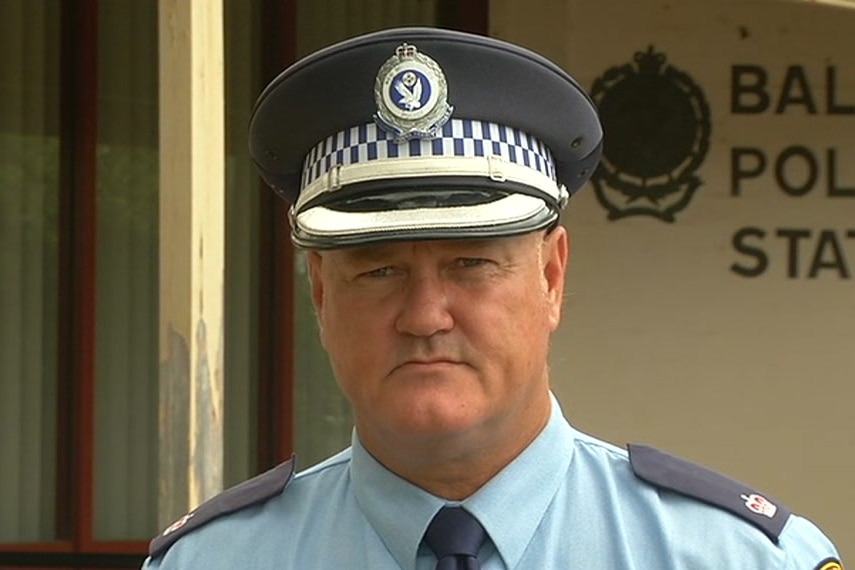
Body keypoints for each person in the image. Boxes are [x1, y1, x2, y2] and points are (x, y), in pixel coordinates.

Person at [142, 27, 842, 569]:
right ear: (321, 294)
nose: (424, 317)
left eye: (471, 262)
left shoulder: (733, 556)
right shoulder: (212, 560)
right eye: (378, 271)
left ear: (551, 278)